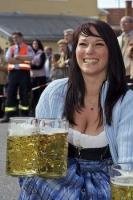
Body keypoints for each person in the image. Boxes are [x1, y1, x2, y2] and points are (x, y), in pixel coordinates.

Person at [18, 19, 133, 199]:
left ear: (111, 51)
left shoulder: (126, 101)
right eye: (83, 44)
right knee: (36, 179)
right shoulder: (54, 92)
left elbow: (127, 165)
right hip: (61, 175)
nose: (89, 51)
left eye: (99, 44)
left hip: (107, 179)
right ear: (75, 50)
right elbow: (40, 156)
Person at [0, 32, 34, 123]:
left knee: (24, 94)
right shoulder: (11, 48)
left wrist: (18, 57)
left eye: (16, 37)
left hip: (24, 73)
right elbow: (8, 59)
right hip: (13, 73)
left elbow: (31, 57)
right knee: (10, 93)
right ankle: (8, 115)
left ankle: (24, 115)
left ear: (21, 38)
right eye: (13, 38)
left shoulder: (28, 47)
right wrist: (22, 59)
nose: (14, 39)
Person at [30, 39, 46, 116]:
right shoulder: (30, 54)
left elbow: (40, 66)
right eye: (33, 44)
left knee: (40, 94)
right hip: (33, 76)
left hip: (41, 77)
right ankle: (33, 110)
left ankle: (41, 110)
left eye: (36, 44)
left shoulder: (42, 53)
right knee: (33, 95)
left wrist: (31, 66)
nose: (35, 45)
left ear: (39, 44)